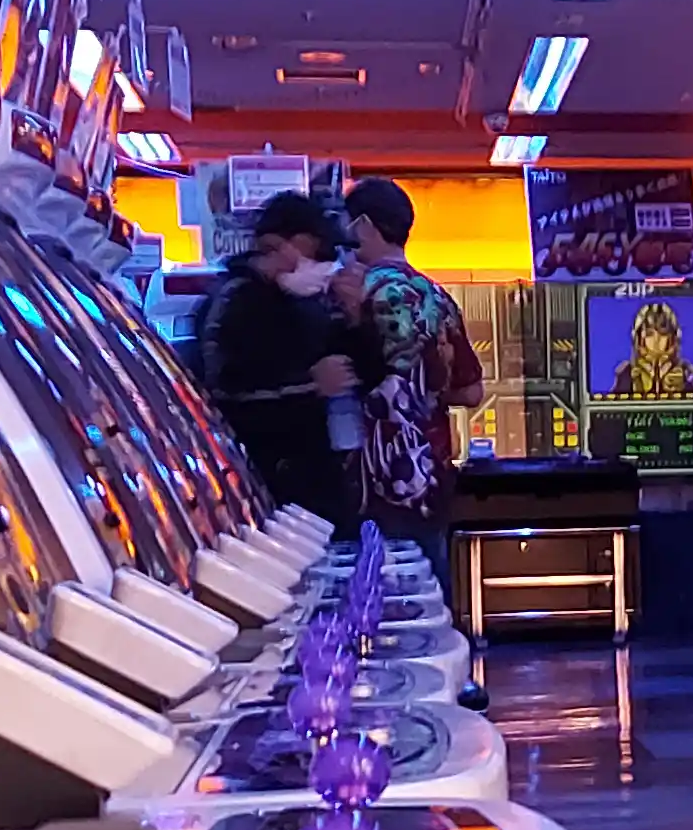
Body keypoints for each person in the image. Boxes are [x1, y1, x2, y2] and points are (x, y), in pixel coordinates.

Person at [197, 191, 377, 528]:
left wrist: (356, 320)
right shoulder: (236, 301)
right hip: (267, 491)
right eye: (318, 251)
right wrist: (310, 386)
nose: (326, 263)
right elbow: (224, 396)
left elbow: (365, 373)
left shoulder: (310, 304)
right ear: (278, 246)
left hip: (322, 485)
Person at [340, 175, 485, 549]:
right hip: (430, 478)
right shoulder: (437, 297)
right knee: (429, 592)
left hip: (366, 481)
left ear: (364, 226)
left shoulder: (349, 293)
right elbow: (471, 392)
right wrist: (425, 392)